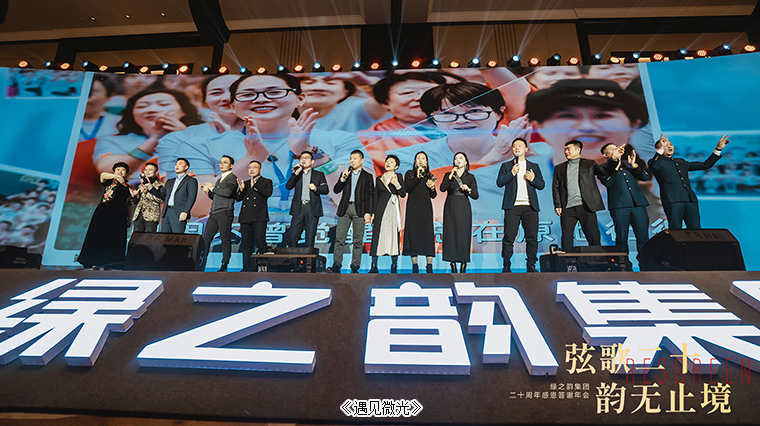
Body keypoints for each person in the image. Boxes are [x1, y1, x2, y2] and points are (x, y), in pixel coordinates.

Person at [157, 74, 243, 216]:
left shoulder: (279, 134)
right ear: (204, 101)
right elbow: (181, 192)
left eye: (235, 91)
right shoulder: (177, 138)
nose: (227, 97)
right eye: (216, 92)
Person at [93, 87, 203, 184]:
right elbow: (108, 171)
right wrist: (154, 139)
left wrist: (184, 136)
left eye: (163, 104)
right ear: (132, 114)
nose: (152, 110)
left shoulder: (203, 136)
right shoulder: (112, 141)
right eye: (142, 106)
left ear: (183, 111)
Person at [648, 134, 729, 229]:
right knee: (676, 230)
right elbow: (653, 166)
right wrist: (660, 150)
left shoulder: (681, 161)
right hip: (673, 200)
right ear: (658, 149)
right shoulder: (656, 162)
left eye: (670, 144)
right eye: (666, 145)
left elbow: (706, 165)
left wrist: (718, 149)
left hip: (690, 200)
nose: (669, 146)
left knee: (696, 230)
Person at [553, 140, 622, 251]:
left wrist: (614, 159)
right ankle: (567, 260)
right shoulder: (559, 168)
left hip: (586, 206)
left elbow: (605, 172)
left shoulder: (589, 164)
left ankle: (597, 259)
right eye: (565, 149)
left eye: (568, 149)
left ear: (578, 150)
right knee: (566, 236)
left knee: (593, 236)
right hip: (567, 207)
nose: (566, 152)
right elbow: (556, 187)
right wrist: (557, 204)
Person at [496, 138, 545, 273]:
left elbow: (541, 185)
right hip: (512, 206)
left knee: (532, 238)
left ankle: (531, 265)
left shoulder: (534, 166)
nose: (517, 148)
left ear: (526, 149)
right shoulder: (506, 166)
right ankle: (506, 265)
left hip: (530, 207)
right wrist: (512, 173)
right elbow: (499, 182)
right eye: (514, 146)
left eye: (520, 146)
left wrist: (533, 179)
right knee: (509, 237)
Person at [78, 162, 134, 268]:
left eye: (123, 170)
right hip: (104, 211)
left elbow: (130, 204)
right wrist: (116, 177)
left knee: (115, 238)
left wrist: (129, 218)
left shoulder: (129, 187)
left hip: (120, 214)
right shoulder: (109, 181)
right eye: (118, 169)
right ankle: (95, 261)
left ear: (126, 173)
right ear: (114, 171)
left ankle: (113, 262)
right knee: (100, 236)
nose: (120, 172)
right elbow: (102, 175)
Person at [328, 149, 375, 274]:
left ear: (361, 160)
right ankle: (336, 265)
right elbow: (336, 190)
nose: (352, 161)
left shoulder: (367, 176)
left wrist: (369, 212)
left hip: (359, 209)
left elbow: (370, 196)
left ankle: (355, 266)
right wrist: (343, 179)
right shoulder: (345, 173)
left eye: (355, 158)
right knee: (339, 239)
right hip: (345, 208)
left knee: (358, 240)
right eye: (351, 158)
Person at [598, 144, 651, 253]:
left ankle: (646, 261)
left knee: (643, 237)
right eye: (612, 149)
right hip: (619, 207)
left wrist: (634, 165)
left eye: (616, 148)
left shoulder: (628, 164)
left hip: (638, 204)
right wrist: (615, 167)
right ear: (605, 155)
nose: (616, 150)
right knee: (621, 238)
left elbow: (645, 177)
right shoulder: (603, 168)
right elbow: (608, 183)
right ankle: (623, 262)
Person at [441, 152, 479, 273]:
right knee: (450, 233)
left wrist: (468, 189)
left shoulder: (470, 177)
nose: (458, 160)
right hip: (450, 205)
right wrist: (450, 176)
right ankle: (452, 263)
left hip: (463, 205)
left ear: (466, 162)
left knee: (463, 233)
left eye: (461, 158)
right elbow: (442, 188)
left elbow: (475, 195)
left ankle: (463, 263)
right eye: (456, 158)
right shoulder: (449, 174)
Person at [200, 155, 239, 272]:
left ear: (231, 165)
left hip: (225, 212)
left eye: (225, 162)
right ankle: (201, 263)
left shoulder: (232, 178)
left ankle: (224, 265)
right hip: (214, 212)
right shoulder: (220, 179)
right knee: (206, 239)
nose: (221, 164)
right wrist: (208, 192)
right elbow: (217, 196)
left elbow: (227, 193)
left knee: (225, 239)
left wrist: (213, 188)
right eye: (220, 162)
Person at [369, 155, 406, 273]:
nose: (388, 163)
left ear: (396, 166)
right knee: (377, 235)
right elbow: (375, 196)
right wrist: (373, 213)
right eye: (387, 161)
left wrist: (396, 184)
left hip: (393, 208)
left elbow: (403, 193)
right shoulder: (379, 178)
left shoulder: (398, 176)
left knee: (393, 235)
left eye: (391, 162)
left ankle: (394, 265)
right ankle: (374, 266)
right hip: (380, 208)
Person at [403, 151, 437, 273]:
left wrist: (432, 188)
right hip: (413, 208)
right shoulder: (410, 174)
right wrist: (417, 176)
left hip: (425, 208)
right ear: (415, 161)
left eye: (423, 158)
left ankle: (429, 266)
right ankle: (415, 266)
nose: (420, 160)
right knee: (413, 235)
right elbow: (407, 188)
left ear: (426, 162)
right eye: (418, 158)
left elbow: (433, 195)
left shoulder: (430, 175)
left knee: (427, 234)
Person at [236, 160, 274, 271]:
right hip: (246, 217)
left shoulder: (266, 181)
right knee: (246, 244)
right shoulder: (246, 183)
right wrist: (241, 190)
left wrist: (255, 186)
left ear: (260, 170)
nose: (251, 170)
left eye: (254, 167)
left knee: (260, 242)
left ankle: (263, 268)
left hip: (259, 217)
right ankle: (246, 268)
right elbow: (238, 198)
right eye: (250, 167)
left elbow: (268, 193)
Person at [286, 151, 329, 247]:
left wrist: (316, 188)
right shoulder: (297, 174)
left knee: (310, 237)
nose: (304, 159)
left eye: (307, 158)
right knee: (293, 236)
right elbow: (288, 186)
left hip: (312, 208)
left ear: (312, 161)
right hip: (299, 208)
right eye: (302, 158)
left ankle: (309, 256)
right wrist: (295, 174)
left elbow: (326, 190)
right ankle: (291, 256)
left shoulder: (319, 174)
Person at [150, 158, 197, 233]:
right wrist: (150, 187)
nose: (177, 166)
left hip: (179, 212)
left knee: (177, 236)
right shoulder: (170, 181)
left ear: (186, 167)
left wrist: (185, 212)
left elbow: (191, 197)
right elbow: (160, 194)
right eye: (176, 164)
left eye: (180, 164)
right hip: (167, 212)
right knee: (164, 237)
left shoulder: (191, 181)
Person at [79, 74, 120, 141]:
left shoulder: (118, 122)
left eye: (95, 92)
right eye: (82, 92)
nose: (88, 99)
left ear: (110, 96)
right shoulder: (64, 122)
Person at [129, 162, 163, 233]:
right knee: (137, 238)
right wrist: (133, 196)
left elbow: (161, 199)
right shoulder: (140, 185)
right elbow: (135, 202)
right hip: (138, 216)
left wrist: (148, 190)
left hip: (151, 217)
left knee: (150, 237)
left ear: (156, 172)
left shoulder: (160, 185)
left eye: (150, 170)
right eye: (146, 170)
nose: (147, 172)